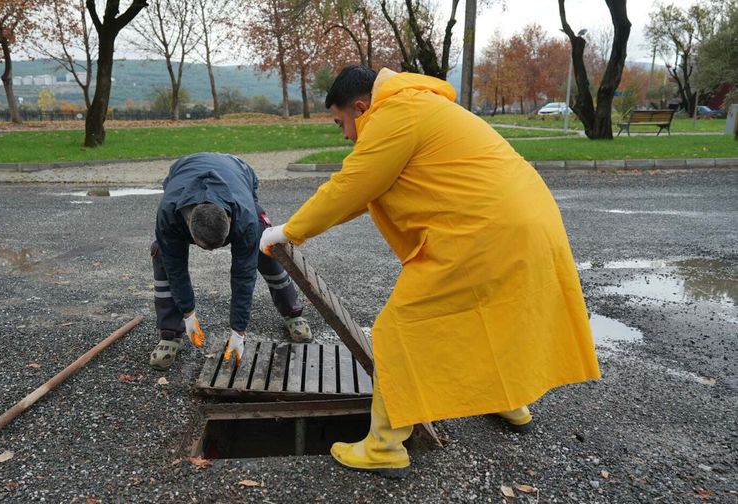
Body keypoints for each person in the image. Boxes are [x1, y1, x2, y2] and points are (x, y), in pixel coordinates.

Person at [260, 65, 600, 477]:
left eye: (342, 123)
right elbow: (366, 191)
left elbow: (352, 184)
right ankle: (507, 401)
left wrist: (288, 231)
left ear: (361, 106)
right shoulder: (416, 105)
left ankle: (384, 446)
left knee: (399, 329)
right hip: (527, 221)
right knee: (490, 314)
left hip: (484, 233)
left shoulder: (395, 113)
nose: (345, 135)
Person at [150, 152, 312, 370]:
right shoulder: (169, 215)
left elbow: (243, 276)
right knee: (163, 255)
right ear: (188, 229)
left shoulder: (244, 217)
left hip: (238, 172)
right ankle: (170, 333)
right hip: (184, 169)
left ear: (229, 221)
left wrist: (238, 331)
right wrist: (188, 313)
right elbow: (175, 268)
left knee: (265, 247)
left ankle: (292, 312)